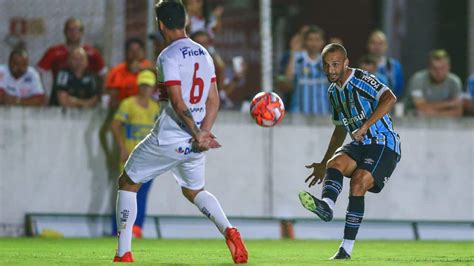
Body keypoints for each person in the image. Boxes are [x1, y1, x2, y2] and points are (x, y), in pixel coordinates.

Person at [113, 1, 248, 264]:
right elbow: (214, 100)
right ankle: (230, 231)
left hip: (168, 138)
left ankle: (123, 254)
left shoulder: (167, 55)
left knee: (127, 183)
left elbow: (177, 101)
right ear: (185, 21)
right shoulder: (204, 53)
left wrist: (198, 133)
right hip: (194, 143)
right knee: (194, 190)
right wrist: (203, 133)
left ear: (160, 24)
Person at [298, 43, 401, 260]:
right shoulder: (333, 92)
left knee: (358, 182)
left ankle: (346, 248)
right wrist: (322, 163)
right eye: (326, 66)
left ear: (346, 63)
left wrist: (365, 126)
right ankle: (326, 205)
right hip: (360, 143)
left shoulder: (361, 79)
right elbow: (339, 129)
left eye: (335, 64)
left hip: (384, 142)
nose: (331, 70)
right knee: (334, 164)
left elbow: (390, 97)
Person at [110, 70, 160, 238]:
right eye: (143, 85)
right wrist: (122, 148)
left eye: (149, 86)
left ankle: (137, 230)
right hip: (130, 158)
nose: (146, 89)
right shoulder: (128, 104)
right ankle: (118, 229)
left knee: (143, 195)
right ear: (139, 86)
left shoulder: (155, 108)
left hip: (149, 160)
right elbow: (115, 125)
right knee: (125, 194)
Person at [37, 17, 106, 105]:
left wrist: (102, 97)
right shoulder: (54, 52)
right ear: (65, 32)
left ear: (82, 32)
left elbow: (103, 74)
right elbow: (39, 73)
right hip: (61, 93)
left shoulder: (92, 52)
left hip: (85, 95)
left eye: (77, 30)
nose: (73, 33)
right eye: (70, 30)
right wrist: (44, 94)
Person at [284, 25, 330, 115]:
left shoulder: (328, 61)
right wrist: (293, 52)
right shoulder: (297, 58)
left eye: (317, 40)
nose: (314, 43)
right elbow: (287, 80)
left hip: (322, 115)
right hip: (299, 116)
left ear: (322, 42)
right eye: (311, 40)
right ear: (305, 42)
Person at [406, 49, 463, 117]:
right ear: (428, 68)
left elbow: (458, 112)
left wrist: (429, 112)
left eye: (442, 68)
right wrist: (450, 104)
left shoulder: (455, 82)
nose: (439, 72)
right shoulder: (418, 79)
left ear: (449, 67)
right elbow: (420, 107)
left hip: (447, 124)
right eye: (435, 68)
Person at [105, 38, 154, 109]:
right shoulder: (117, 70)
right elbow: (110, 92)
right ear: (126, 52)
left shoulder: (150, 67)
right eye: (132, 50)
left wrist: (143, 68)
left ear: (143, 52)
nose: (135, 53)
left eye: (138, 50)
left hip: (147, 109)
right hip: (123, 109)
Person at [367, 30, 404, 99]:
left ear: (386, 46)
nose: (377, 47)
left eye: (380, 43)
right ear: (368, 45)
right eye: (373, 43)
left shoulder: (395, 66)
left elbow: (399, 90)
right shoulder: (361, 65)